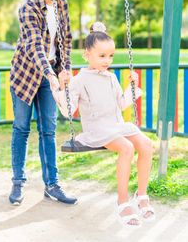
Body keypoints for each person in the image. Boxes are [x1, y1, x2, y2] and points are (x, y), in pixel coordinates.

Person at [52, 22, 155, 227]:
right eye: (102, 56)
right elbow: (68, 111)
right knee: (126, 147)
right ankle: (122, 201)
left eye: (110, 56)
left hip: (116, 125)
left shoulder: (111, 77)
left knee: (146, 145)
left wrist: (132, 87)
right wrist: (62, 87)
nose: (107, 61)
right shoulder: (80, 79)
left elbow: (122, 104)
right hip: (97, 129)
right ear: (87, 54)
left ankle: (141, 195)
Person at [9, 0, 77, 205]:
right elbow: (35, 46)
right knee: (22, 128)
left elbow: (66, 40)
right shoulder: (29, 6)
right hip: (26, 75)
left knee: (48, 130)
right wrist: (49, 72)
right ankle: (18, 182)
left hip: (51, 77)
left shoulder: (63, 4)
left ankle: (52, 185)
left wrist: (66, 68)